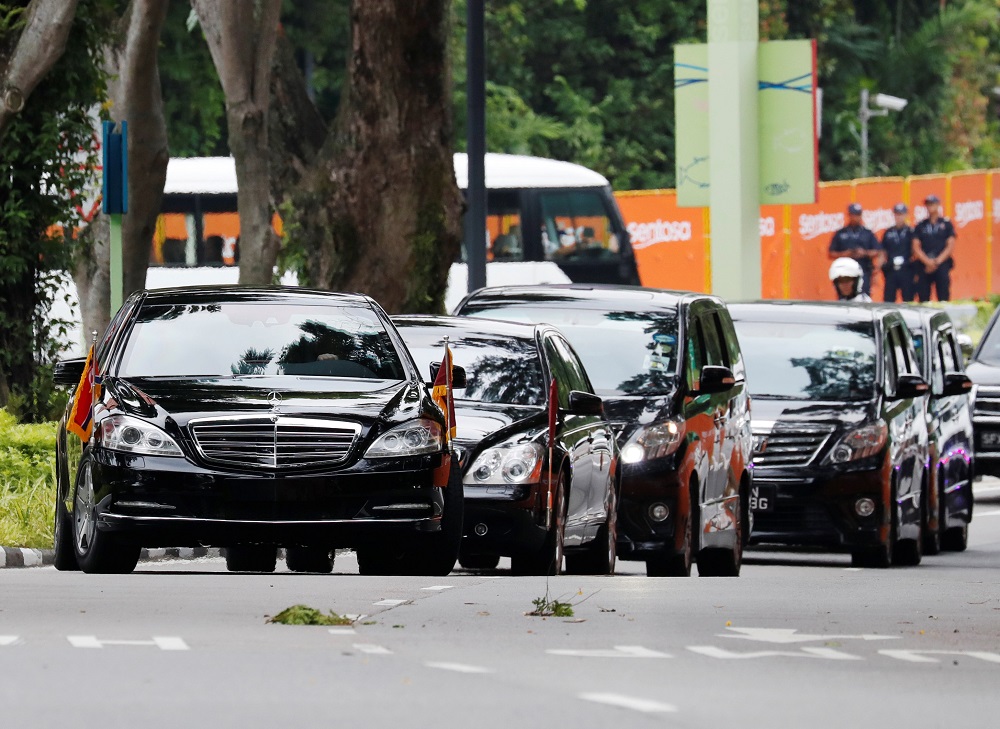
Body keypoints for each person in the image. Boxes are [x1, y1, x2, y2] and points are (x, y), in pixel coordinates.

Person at [828, 203, 880, 296]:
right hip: (845, 271)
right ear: (849, 215)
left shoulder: (867, 233)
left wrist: (864, 253)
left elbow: (877, 251)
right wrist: (845, 254)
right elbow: (831, 253)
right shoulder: (841, 233)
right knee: (845, 297)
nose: (855, 217)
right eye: (853, 215)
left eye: (858, 215)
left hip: (863, 269)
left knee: (863, 296)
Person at [913, 194, 957, 302]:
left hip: (941, 263)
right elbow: (916, 246)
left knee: (943, 296)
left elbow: (950, 245)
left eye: (932, 204)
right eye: (928, 204)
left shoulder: (946, 224)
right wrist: (927, 262)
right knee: (923, 297)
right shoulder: (921, 225)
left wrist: (937, 261)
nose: (930, 207)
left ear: (938, 205)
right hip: (925, 264)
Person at [879, 203, 916, 303]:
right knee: (889, 299)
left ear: (906, 215)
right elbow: (883, 251)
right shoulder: (888, 232)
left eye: (901, 214)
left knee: (908, 299)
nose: (899, 217)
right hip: (891, 268)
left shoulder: (911, 231)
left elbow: (915, 250)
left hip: (906, 268)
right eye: (897, 214)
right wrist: (880, 266)